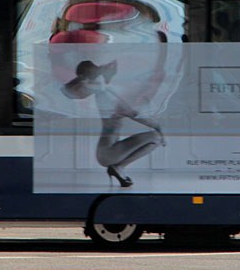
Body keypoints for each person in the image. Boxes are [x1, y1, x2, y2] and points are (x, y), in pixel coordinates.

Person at [63, 59, 165, 187]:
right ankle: (119, 167)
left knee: (156, 138)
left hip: (109, 150)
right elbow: (134, 114)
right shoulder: (106, 96)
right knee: (155, 137)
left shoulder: (105, 93)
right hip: (108, 153)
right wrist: (158, 127)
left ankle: (118, 168)